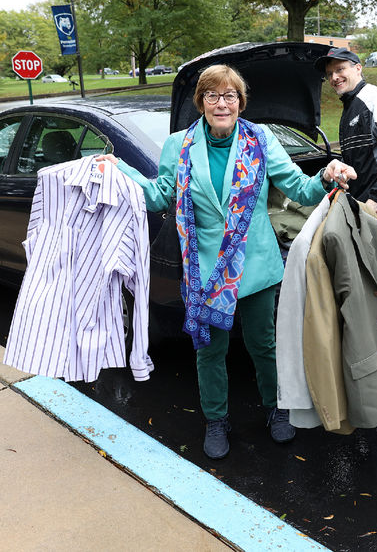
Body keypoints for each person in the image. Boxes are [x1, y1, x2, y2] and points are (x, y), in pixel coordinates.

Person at [98, 64, 356, 459]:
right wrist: (122, 171)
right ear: (201, 102)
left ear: (241, 102)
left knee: (262, 345)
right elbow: (159, 196)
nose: (222, 103)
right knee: (209, 351)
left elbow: (299, 190)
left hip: (255, 265)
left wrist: (326, 174)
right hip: (204, 269)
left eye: (230, 96)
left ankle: (276, 409)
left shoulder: (260, 139)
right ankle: (216, 419)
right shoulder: (179, 146)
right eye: (213, 96)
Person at [314, 47, 377, 229]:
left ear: (358, 68)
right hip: (362, 204)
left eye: (340, 69)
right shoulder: (351, 104)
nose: (334, 77)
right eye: (329, 74)